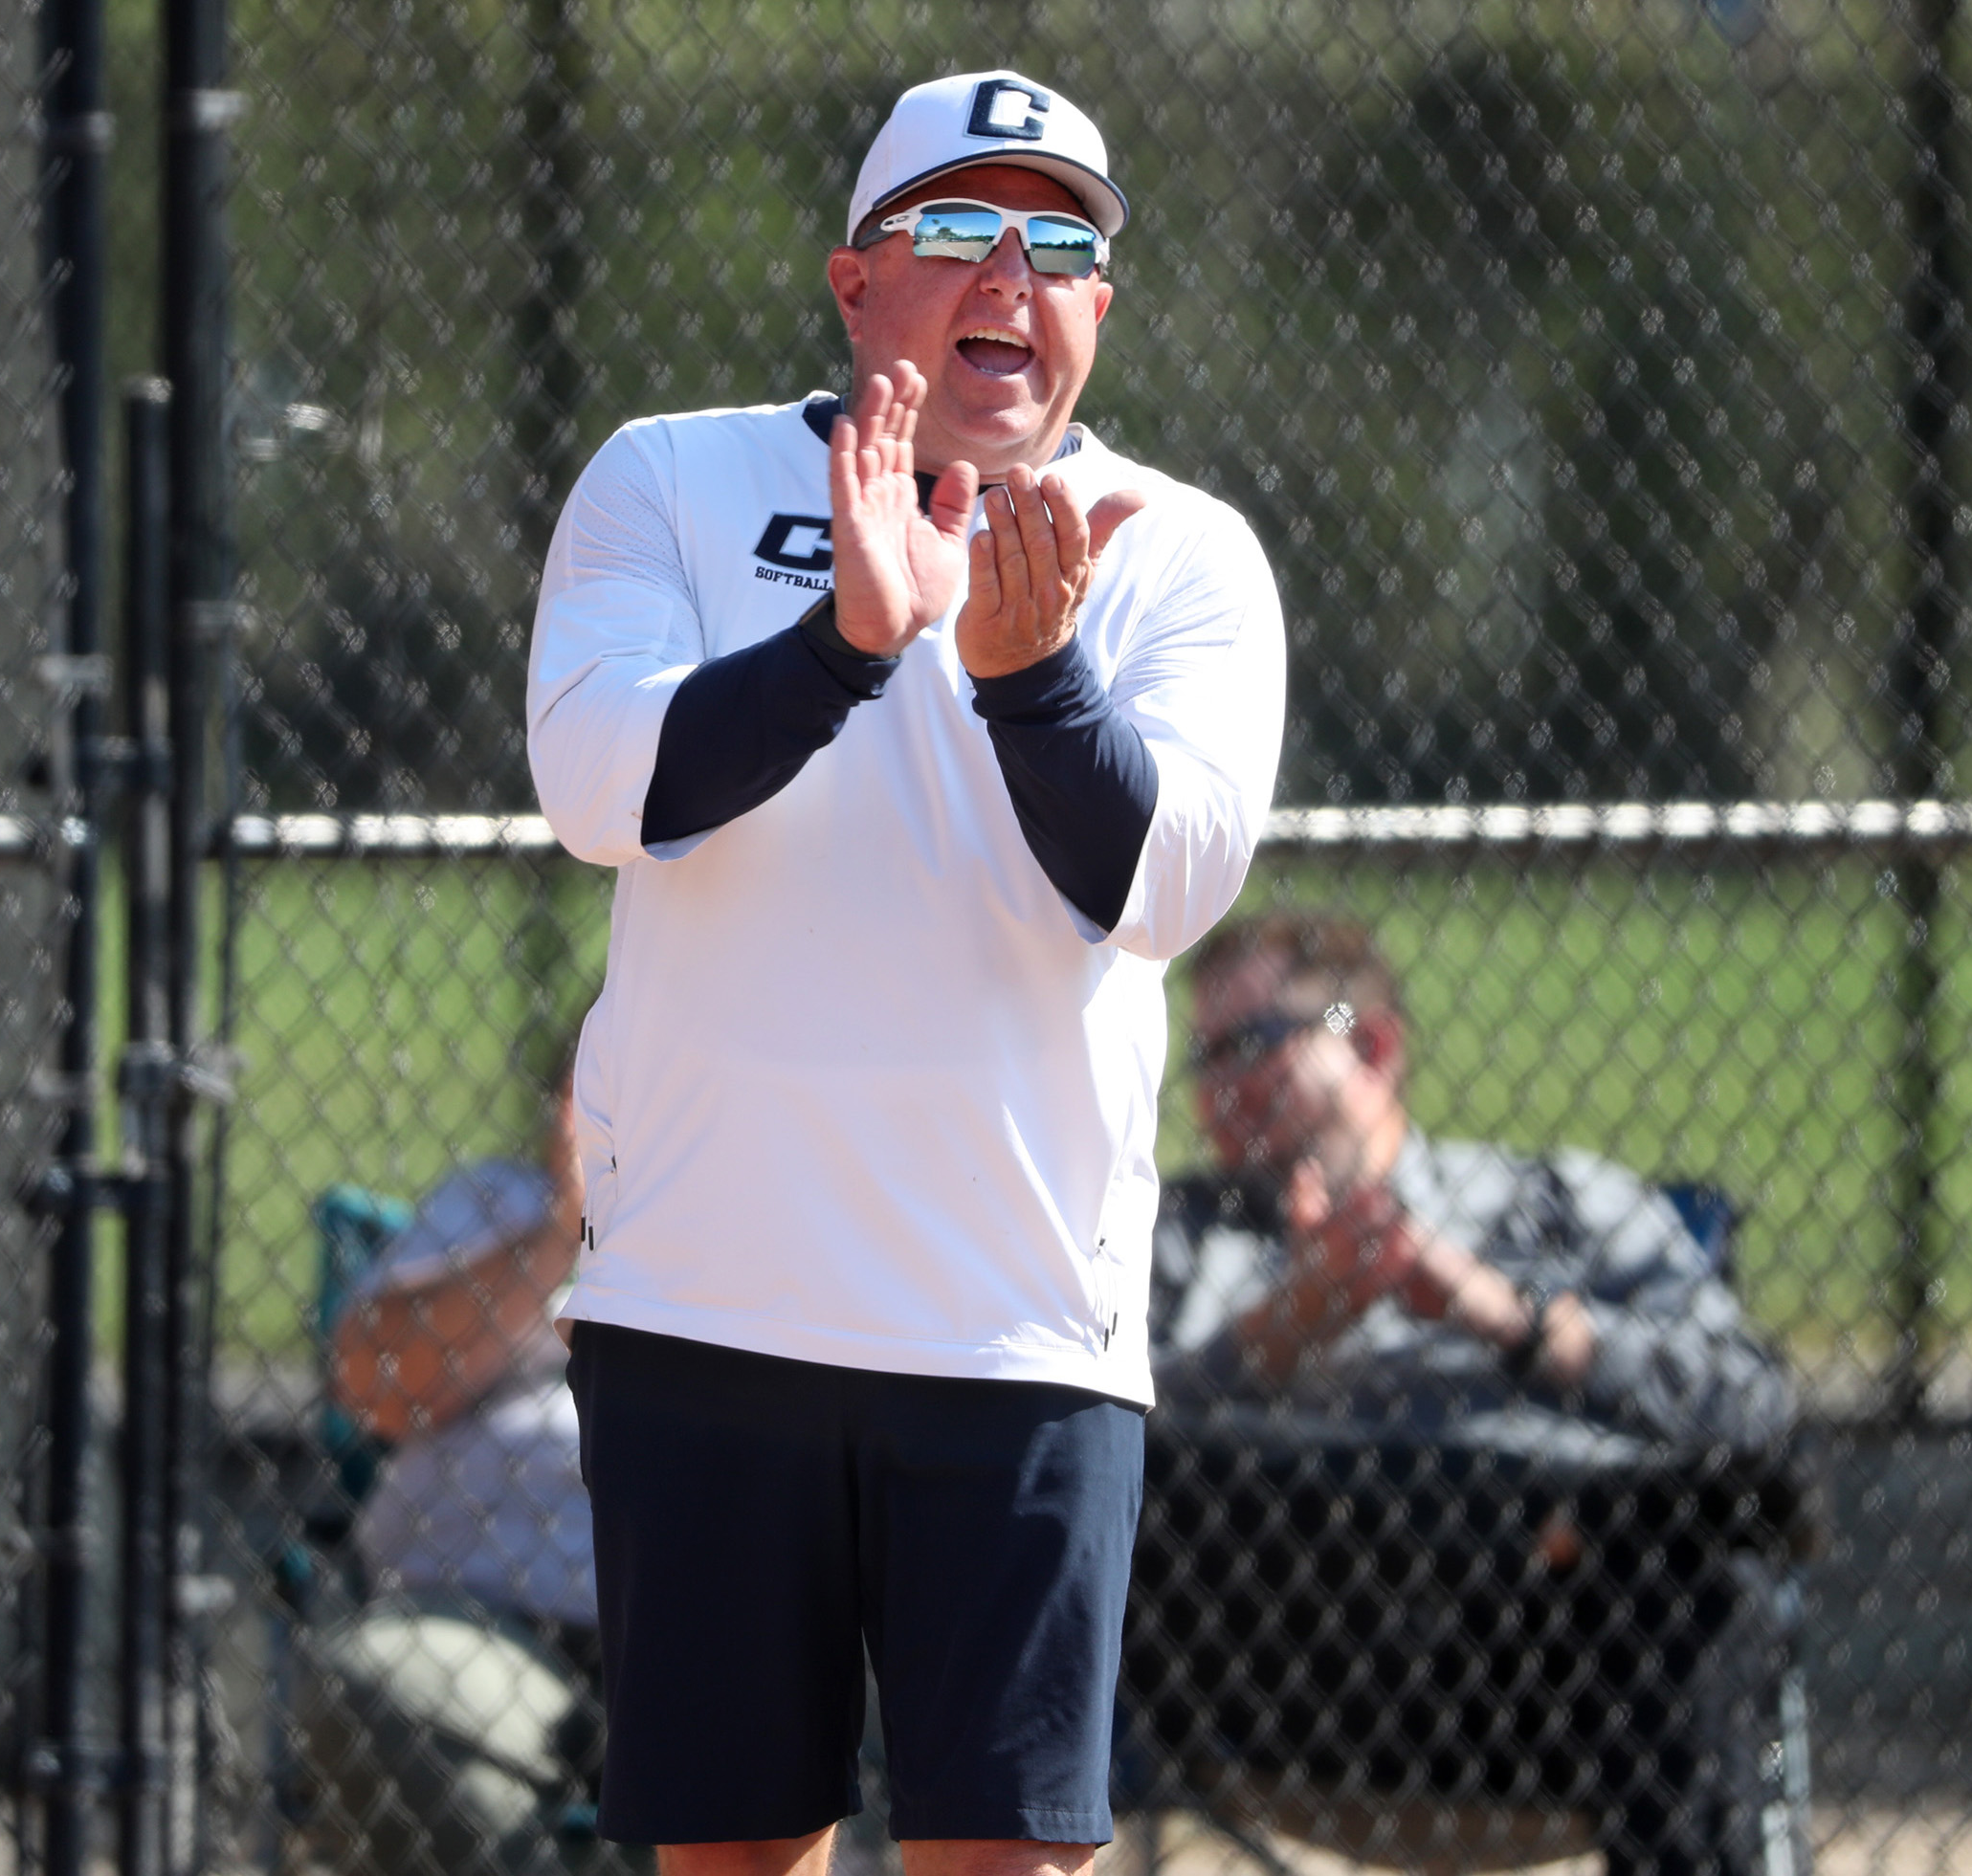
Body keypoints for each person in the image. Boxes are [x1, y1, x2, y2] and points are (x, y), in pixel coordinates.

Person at [522, 66, 1284, 1876]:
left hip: (1015, 1331)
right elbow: (599, 781)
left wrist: (1032, 676)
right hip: (707, 1309)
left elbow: (1161, 881)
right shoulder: (674, 478)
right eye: (954, 229)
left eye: (1057, 243)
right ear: (857, 283)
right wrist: (851, 640)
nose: (1004, 272)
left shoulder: (1177, 556)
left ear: (1098, 305)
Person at [1139, 909, 1803, 1876]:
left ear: (1370, 1042)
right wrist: (1280, 1329)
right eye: (1201, 1060)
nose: (1215, 1093)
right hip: (1258, 1669)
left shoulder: (1555, 1202)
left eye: (1248, 1046)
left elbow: (1754, 1408)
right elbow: (1075, 1434)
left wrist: (1514, 1318)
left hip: (1543, 1661)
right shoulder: (1181, 1236)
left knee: (1699, 1545)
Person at [297, 1081, 622, 1876]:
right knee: (380, 1684)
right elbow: (377, 1386)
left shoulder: (768, 1227)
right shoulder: (495, 1201)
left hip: (700, 1616)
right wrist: (566, 1225)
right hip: (488, 1618)